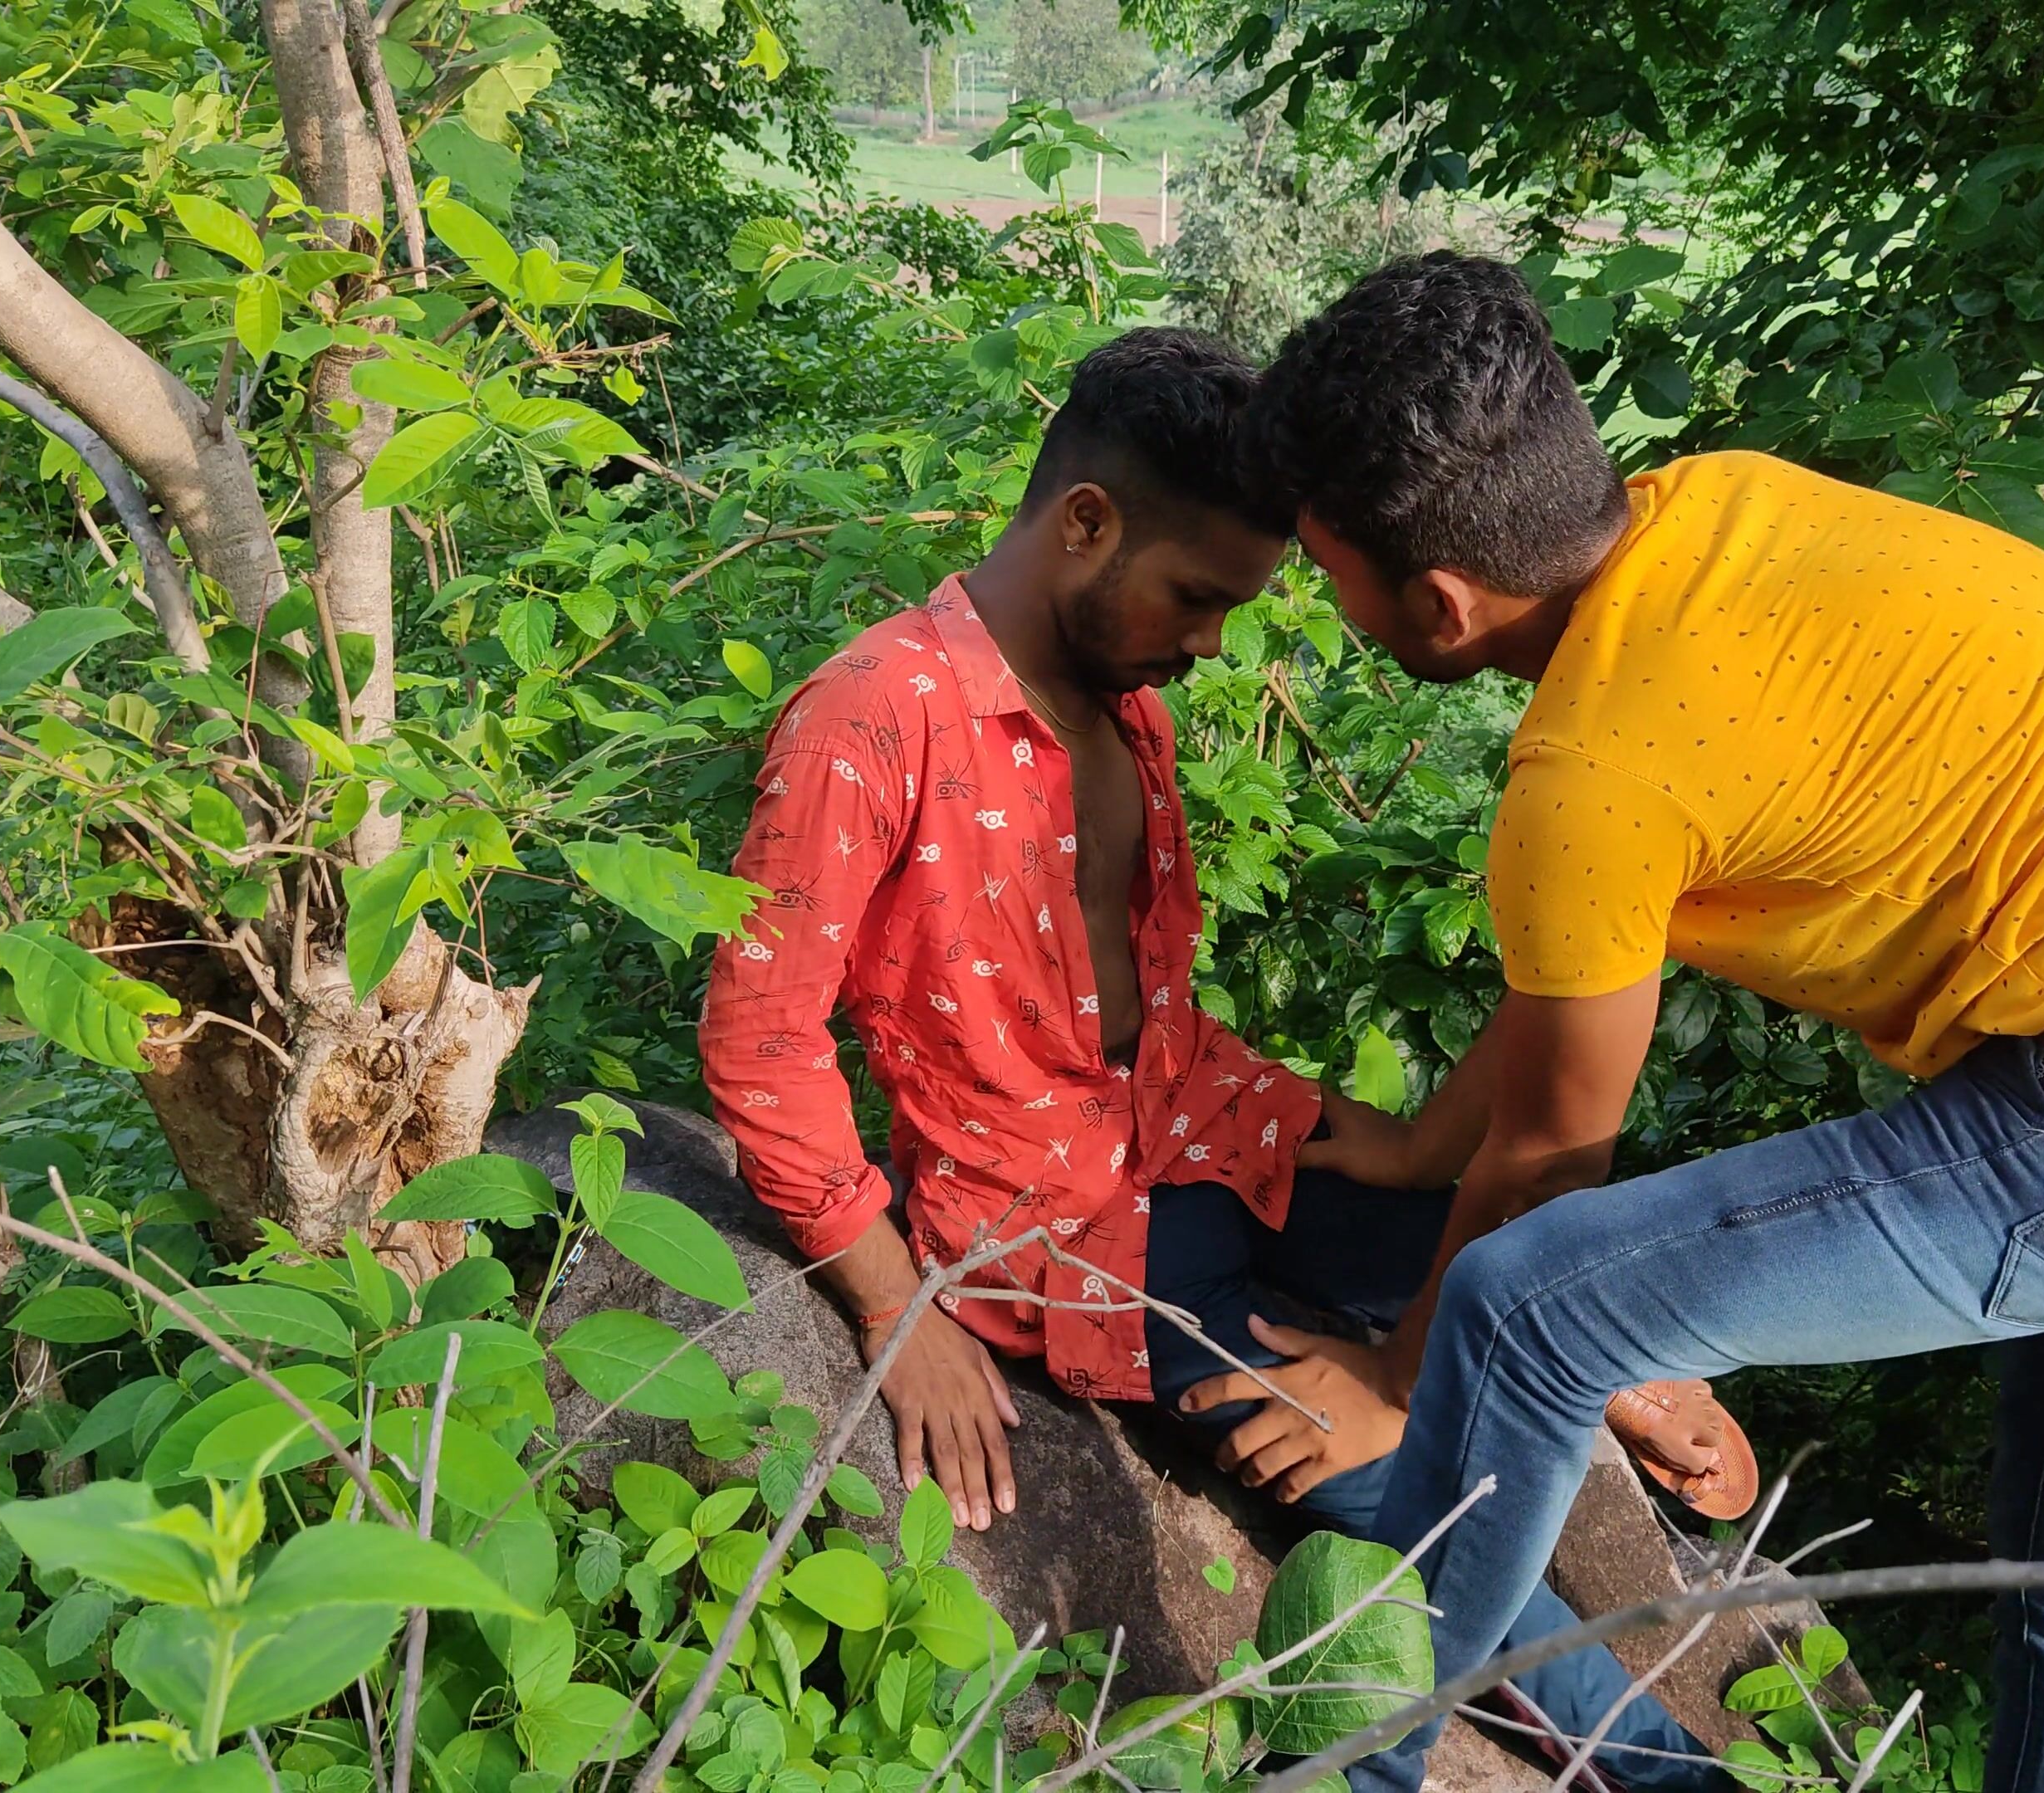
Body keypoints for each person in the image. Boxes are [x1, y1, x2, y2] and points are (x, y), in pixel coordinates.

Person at [1231, 254, 2044, 1793]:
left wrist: (1393, 1381)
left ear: (1441, 604)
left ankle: (1354, 1769)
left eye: (1329, 572)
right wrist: (1411, 1150)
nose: (1328, 604)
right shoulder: (1718, 512)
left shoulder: (1592, 774)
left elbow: (1549, 1158)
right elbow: (1556, 1028)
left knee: (1522, 1308)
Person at [697, 328, 1733, 1792]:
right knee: (1398, 1492)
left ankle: (1618, 1387)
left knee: (1513, 1249)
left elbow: (1153, 1008)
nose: (1208, 642)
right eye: (1197, 597)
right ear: (1086, 521)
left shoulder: (1124, 702)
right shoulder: (874, 717)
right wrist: (890, 1304)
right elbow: (759, 1034)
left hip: (1214, 1120)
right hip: (1065, 1223)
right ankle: (1666, 1772)